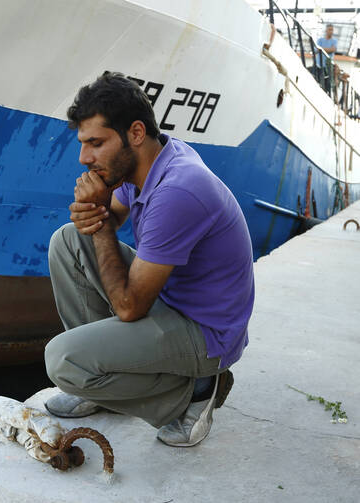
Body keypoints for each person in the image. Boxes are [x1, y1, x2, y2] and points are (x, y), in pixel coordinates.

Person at [43, 72, 255, 447]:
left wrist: (101, 225)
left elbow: (128, 308)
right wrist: (93, 213)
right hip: (172, 304)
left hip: (204, 333)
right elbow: (114, 215)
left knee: (63, 361)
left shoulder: (178, 190)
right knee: (68, 240)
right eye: (83, 143)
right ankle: (103, 388)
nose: (83, 158)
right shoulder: (146, 162)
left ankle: (196, 393)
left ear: (136, 133)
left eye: (95, 143)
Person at [317, 24, 338, 92]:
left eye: (332, 30)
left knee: (327, 85)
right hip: (319, 65)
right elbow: (317, 49)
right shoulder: (320, 40)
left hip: (328, 67)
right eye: (330, 30)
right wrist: (329, 49)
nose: (331, 31)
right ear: (326, 30)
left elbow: (333, 49)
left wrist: (322, 49)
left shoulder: (334, 41)